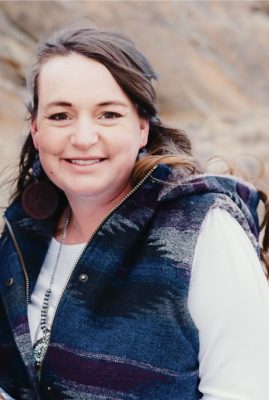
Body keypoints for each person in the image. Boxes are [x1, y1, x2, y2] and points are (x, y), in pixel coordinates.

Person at [0, 24, 269, 400]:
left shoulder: (201, 227)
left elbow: (245, 392)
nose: (83, 137)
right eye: (60, 116)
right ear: (36, 130)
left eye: (108, 114)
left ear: (142, 127)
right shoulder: (22, 233)